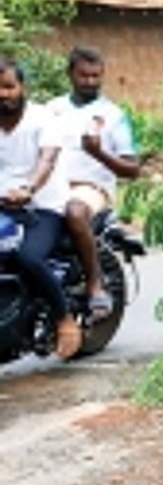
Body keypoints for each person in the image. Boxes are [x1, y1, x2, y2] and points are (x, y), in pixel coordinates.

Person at [46, 46, 140, 320]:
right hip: (50, 187)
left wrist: (98, 152)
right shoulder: (51, 109)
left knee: (75, 211)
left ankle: (95, 284)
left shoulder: (113, 115)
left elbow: (132, 170)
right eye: (83, 75)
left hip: (91, 188)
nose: (90, 81)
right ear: (70, 74)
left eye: (96, 76)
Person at [0, 57, 80, 359]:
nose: (3, 94)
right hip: (3, 205)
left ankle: (64, 319)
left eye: (9, 87)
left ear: (22, 87)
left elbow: (47, 160)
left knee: (27, 257)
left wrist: (29, 189)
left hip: (42, 205)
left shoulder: (43, 118)